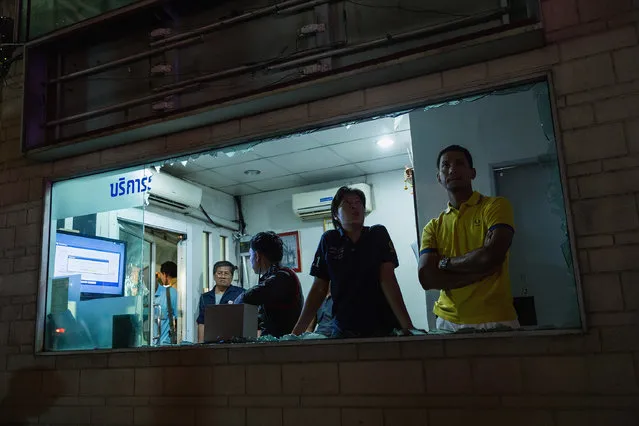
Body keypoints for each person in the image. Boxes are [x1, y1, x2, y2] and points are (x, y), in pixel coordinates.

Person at [418, 145, 519, 332]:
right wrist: (479, 271)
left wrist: (444, 263)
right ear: (439, 177)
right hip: (447, 321)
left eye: (459, 163)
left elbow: (492, 256)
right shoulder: (433, 227)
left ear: (472, 173)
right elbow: (427, 278)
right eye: (445, 165)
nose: (452, 169)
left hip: (495, 318)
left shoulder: (495, 206)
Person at [292, 186, 414, 338]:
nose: (354, 206)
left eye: (358, 203)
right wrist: (297, 332)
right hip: (344, 328)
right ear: (336, 214)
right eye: (347, 203)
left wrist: (408, 326)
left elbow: (388, 280)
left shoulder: (377, 234)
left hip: (381, 325)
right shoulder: (329, 240)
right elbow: (319, 288)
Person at [240, 231, 303, 338]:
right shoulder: (281, 275)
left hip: (282, 345)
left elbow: (249, 296)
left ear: (257, 256)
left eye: (250, 255)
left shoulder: (282, 277)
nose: (250, 260)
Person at [196, 260, 245, 343]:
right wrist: (201, 345)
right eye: (219, 273)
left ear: (232, 277)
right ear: (214, 276)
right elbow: (202, 322)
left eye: (226, 273)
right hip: (211, 343)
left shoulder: (241, 294)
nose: (223, 276)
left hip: (234, 343)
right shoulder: (205, 297)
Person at [154, 261, 179, 345]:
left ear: (165, 274)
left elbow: (178, 318)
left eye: (161, 275)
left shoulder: (172, 291)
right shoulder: (180, 285)